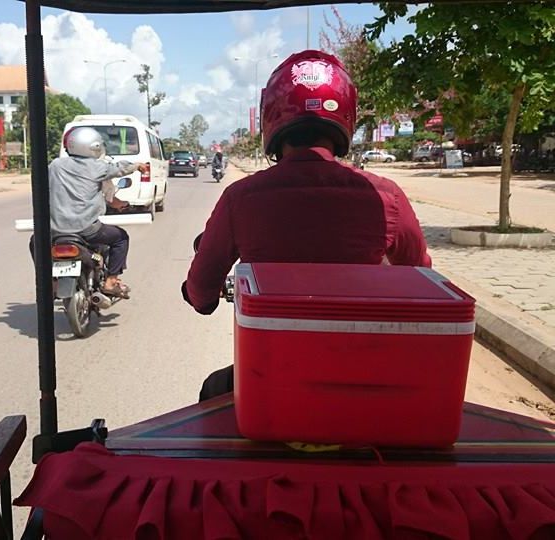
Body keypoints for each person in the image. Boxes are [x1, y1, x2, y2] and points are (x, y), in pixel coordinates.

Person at [181, 50, 432, 401]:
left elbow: (200, 292)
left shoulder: (241, 197)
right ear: (346, 116)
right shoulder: (386, 195)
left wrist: (201, 297)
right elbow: (422, 279)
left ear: (271, 116)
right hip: (363, 374)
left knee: (214, 390)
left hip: (269, 378)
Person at [49, 126, 147, 298]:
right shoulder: (97, 167)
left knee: (35, 242)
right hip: (87, 230)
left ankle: (50, 282)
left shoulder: (55, 165)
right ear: (95, 147)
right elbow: (120, 169)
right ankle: (111, 281)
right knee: (121, 238)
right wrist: (137, 166)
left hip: (56, 230)